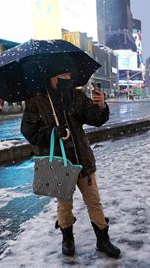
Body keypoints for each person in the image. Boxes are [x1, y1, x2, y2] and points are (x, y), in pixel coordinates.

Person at [21, 71, 121, 258]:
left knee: (94, 201)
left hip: (82, 159)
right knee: (64, 206)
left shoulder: (75, 96)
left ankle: (103, 240)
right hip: (59, 161)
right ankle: (67, 238)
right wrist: (51, 132)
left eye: (68, 74)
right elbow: (29, 131)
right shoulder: (38, 100)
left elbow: (96, 119)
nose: (67, 77)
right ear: (51, 75)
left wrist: (101, 106)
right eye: (63, 74)